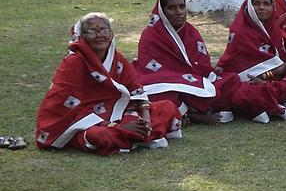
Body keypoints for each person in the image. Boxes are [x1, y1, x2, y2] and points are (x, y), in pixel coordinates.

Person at [35, 13, 182, 155]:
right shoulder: (73, 62)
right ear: (83, 36)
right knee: (98, 136)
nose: (99, 35)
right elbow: (64, 105)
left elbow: (136, 89)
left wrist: (146, 119)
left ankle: (136, 134)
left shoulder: (117, 59)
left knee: (167, 107)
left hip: (120, 112)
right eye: (92, 31)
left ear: (111, 34)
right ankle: (136, 136)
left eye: (103, 30)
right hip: (88, 122)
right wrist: (115, 126)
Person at [137, 0, 240, 124]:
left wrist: (197, 80)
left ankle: (199, 106)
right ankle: (192, 115)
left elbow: (203, 65)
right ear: (162, 11)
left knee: (232, 80)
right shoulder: (150, 35)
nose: (179, 12)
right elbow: (150, 68)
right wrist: (182, 80)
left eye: (182, 6)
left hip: (193, 80)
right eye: (172, 8)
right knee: (161, 94)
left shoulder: (191, 32)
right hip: (168, 83)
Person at [216, 0, 286, 123]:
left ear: (273, 7)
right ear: (249, 5)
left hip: (272, 81)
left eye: (266, 4)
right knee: (238, 91)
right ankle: (272, 107)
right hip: (244, 80)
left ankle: (262, 106)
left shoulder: (277, 31)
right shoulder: (239, 30)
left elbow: (284, 65)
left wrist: (268, 76)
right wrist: (263, 76)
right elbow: (233, 64)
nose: (261, 8)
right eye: (257, 3)